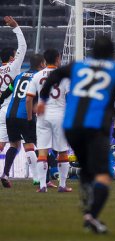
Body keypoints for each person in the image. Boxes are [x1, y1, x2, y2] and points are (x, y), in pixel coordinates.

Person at [37, 36, 115, 234]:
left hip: (71, 126)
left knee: (88, 167)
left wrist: (43, 99)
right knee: (104, 174)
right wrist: (114, 114)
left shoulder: (78, 66)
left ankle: (86, 186)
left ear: (92, 51)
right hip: (95, 127)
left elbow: (53, 77)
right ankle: (92, 216)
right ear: (112, 53)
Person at [26, 49, 72, 193]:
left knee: (42, 151)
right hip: (59, 115)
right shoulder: (65, 77)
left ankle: (42, 186)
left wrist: (29, 118)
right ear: (58, 58)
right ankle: (62, 185)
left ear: (45, 61)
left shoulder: (37, 76)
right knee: (63, 151)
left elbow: (28, 98)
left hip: (42, 116)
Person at [0, 54, 45, 188]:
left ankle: (5, 174)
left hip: (10, 115)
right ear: (41, 64)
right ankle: (37, 178)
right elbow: (36, 98)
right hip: (25, 114)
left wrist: (1, 100)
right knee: (29, 144)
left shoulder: (19, 76)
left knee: (14, 145)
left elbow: (6, 93)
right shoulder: (38, 77)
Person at [0, 16, 27, 155]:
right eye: (15, 55)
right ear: (11, 58)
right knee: (22, 144)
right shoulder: (13, 66)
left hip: (2, 109)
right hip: (13, 110)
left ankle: (5, 174)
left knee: (6, 144)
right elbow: (23, 47)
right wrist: (16, 27)